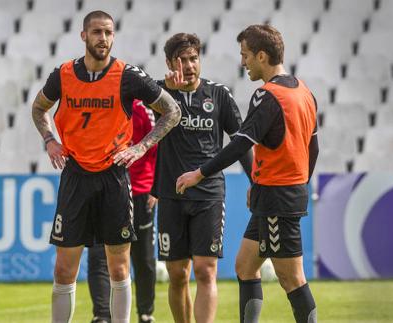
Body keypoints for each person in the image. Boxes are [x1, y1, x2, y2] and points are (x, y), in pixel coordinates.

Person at [31, 10, 180, 323]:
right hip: (75, 176)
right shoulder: (63, 75)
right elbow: (39, 108)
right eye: (97, 32)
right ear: (84, 36)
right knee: (64, 269)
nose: (103, 39)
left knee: (119, 266)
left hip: (114, 176)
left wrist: (142, 146)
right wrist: (49, 140)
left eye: (108, 33)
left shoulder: (127, 76)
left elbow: (172, 110)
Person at [176, 24, 319, 323]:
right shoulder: (304, 91)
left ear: (262, 56)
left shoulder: (267, 95)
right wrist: (282, 184)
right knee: (245, 266)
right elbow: (312, 148)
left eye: (246, 56)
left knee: (292, 278)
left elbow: (240, 143)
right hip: (278, 193)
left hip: (279, 197)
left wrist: (199, 173)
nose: (243, 63)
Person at [152, 33, 252, 323]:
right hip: (171, 195)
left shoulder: (218, 94)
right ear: (170, 63)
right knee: (177, 274)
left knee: (206, 270)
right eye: (182, 60)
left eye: (193, 58)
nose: (189, 65)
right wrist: (164, 92)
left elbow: (241, 140)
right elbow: (137, 112)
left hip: (209, 194)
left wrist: (255, 182)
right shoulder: (158, 94)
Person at [87, 99, 158, 323]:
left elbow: (157, 149)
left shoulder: (142, 110)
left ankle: (145, 313)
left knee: (143, 257)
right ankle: (101, 315)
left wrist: (155, 188)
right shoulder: (100, 106)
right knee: (98, 254)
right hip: (104, 191)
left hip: (139, 192)